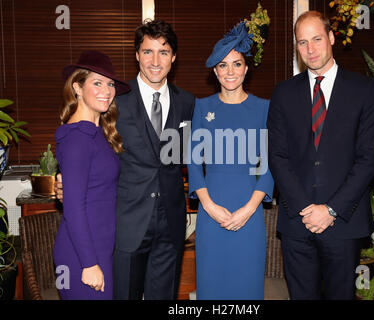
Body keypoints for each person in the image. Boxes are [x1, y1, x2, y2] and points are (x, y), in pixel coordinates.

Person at [55, 20, 195, 300]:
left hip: (171, 226)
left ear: (174, 57)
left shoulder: (188, 103)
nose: (155, 61)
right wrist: (63, 184)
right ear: (136, 55)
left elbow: (192, 156)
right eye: (147, 51)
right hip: (124, 227)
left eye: (164, 52)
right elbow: (80, 143)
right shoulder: (113, 100)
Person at [267, 11, 374, 300]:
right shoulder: (282, 92)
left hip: (343, 222)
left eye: (317, 39)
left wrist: (330, 210)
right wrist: (307, 208)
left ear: (331, 38)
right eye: (302, 42)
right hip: (297, 222)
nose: (310, 49)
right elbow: (277, 155)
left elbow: (368, 159)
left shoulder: (364, 90)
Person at [187, 21, 274, 300]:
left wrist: (249, 209)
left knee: (247, 290)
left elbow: (269, 165)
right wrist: (209, 205)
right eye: (223, 66)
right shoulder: (202, 107)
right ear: (215, 71)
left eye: (236, 64)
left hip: (249, 216)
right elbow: (192, 161)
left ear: (246, 68)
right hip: (210, 216)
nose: (230, 72)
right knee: (211, 290)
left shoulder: (264, 109)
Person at [53, 50, 130, 300]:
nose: (106, 90)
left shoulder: (97, 132)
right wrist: (88, 264)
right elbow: (74, 208)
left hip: (98, 248)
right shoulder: (77, 137)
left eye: (109, 84)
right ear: (77, 87)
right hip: (82, 256)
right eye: (97, 83)